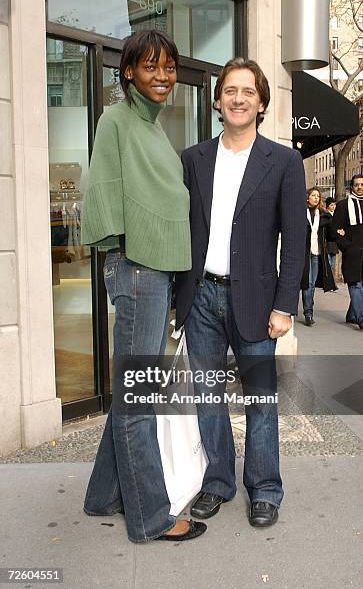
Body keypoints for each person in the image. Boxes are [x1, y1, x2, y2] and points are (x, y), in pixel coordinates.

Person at [81, 30, 206, 542]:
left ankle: (102, 495)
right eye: (151, 66)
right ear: (128, 71)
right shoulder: (116, 119)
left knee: (138, 389)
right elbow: (102, 193)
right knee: (140, 400)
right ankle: (151, 518)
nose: (162, 76)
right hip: (138, 269)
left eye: (170, 67)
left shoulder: (153, 127)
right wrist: (127, 258)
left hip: (154, 270)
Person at [175, 58, 306, 528]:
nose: (237, 98)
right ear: (217, 101)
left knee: (260, 399)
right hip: (202, 299)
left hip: (256, 301)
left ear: (261, 102)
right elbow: (182, 230)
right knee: (208, 398)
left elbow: (295, 237)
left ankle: (265, 489)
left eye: (247, 91)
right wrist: (178, 298)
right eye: (229, 91)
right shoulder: (194, 159)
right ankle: (217, 483)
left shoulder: (284, 161)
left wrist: (284, 306)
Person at [301, 187, 337, 326]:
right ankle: (308, 312)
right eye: (313, 195)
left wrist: (338, 232)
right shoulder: (300, 213)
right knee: (306, 282)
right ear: (307, 197)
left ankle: (309, 311)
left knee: (311, 284)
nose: (316, 198)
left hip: (317, 253)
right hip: (304, 253)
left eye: (318, 196)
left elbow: (330, 234)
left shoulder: (323, 215)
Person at [331, 174, 363, 330]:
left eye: (362, 184)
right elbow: (333, 230)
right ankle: (361, 318)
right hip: (353, 252)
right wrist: (346, 246)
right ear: (352, 187)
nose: (359, 187)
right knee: (355, 283)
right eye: (356, 184)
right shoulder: (343, 205)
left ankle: (352, 315)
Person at [325, 197, 339, 276]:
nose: (333, 207)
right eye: (331, 205)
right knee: (328, 264)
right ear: (327, 206)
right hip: (327, 243)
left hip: (334, 244)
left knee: (332, 265)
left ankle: (331, 282)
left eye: (334, 205)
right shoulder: (326, 216)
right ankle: (328, 282)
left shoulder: (335, 216)